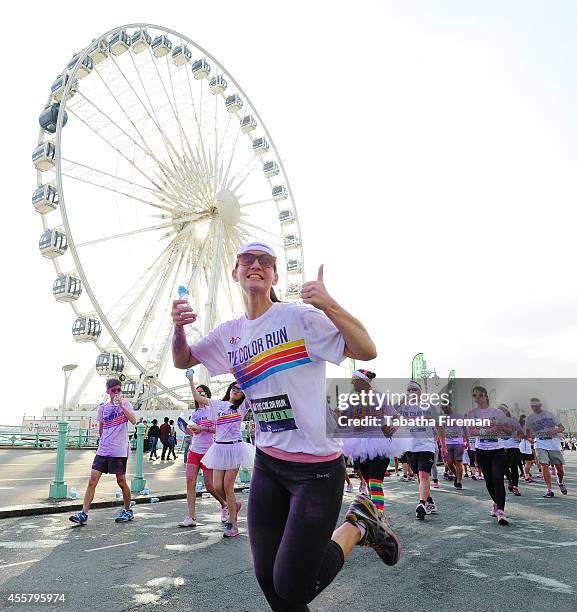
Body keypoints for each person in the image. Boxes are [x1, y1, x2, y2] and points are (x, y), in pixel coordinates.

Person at [172, 241, 400, 611]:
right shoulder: (229, 335)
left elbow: (366, 348)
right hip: (269, 465)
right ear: (235, 272)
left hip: (316, 471)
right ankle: (361, 523)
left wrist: (327, 302)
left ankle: (359, 523)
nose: (256, 265)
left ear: (275, 275)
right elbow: (184, 358)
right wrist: (178, 328)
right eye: (248, 259)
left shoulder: (299, 319)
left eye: (266, 261)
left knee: (293, 586)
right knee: (271, 585)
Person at [189, 375, 254, 537]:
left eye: (240, 390)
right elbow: (197, 397)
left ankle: (233, 524)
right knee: (217, 486)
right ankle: (234, 505)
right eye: (234, 387)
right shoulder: (218, 404)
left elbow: (252, 392)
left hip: (234, 448)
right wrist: (190, 379)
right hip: (219, 448)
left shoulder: (242, 407)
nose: (236, 390)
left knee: (227, 486)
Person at [69, 378, 137, 525]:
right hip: (104, 449)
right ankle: (84, 513)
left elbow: (133, 420)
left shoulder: (126, 404)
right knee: (92, 480)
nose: (117, 392)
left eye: (119, 390)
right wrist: (103, 440)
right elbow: (101, 427)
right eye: (114, 390)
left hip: (119, 450)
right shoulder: (103, 408)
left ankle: (128, 510)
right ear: (108, 392)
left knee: (121, 482)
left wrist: (122, 406)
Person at [340, 369, 406, 517]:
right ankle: (375, 515)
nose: (353, 384)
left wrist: (394, 426)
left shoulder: (380, 397)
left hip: (379, 444)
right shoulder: (351, 400)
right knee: (370, 482)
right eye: (352, 381)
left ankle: (379, 518)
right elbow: (344, 421)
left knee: (375, 482)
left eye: (355, 381)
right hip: (359, 446)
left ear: (364, 382)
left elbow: (396, 416)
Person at [179, 373, 228, 527]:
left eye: (202, 393)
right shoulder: (195, 413)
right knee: (190, 482)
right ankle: (191, 517)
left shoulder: (212, 411)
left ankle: (225, 504)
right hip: (194, 450)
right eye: (197, 392)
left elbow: (218, 429)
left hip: (208, 452)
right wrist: (190, 430)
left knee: (210, 486)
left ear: (207, 395)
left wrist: (203, 428)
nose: (199, 395)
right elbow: (193, 431)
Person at [396, 381, 447, 520]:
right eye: (409, 390)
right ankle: (429, 501)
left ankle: (422, 504)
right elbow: (390, 411)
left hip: (427, 446)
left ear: (420, 393)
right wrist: (402, 400)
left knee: (424, 475)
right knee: (419, 477)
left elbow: (439, 426)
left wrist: (443, 446)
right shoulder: (403, 407)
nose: (412, 392)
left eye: (415, 390)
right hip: (410, 447)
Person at [466, 386, 512, 525]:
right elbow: (471, 431)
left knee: (498, 478)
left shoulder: (497, 412)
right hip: (481, 450)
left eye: (480, 395)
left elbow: (509, 431)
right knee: (489, 481)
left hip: (497, 449)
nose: (478, 398)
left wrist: (500, 426)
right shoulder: (471, 413)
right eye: (475, 396)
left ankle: (501, 512)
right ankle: (496, 504)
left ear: (486, 396)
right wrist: (491, 430)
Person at [524, 398, 568, 497]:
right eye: (532, 406)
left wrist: (555, 431)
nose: (534, 407)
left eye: (536, 405)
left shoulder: (550, 415)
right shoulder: (530, 418)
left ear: (540, 405)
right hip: (540, 444)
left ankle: (560, 482)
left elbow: (562, 428)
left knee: (560, 470)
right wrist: (530, 438)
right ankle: (549, 489)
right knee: (544, 465)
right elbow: (528, 432)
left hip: (554, 445)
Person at [441, 401, 467, 490]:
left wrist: (466, 441)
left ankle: (459, 481)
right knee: (449, 463)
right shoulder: (442, 418)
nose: (443, 409)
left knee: (458, 462)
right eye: (442, 407)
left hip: (458, 442)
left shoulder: (459, 416)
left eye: (445, 407)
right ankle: (457, 475)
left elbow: (464, 428)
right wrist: (442, 445)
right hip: (447, 443)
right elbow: (440, 431)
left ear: (450, 406)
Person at [498, 404, 523, 496]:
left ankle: (515, 487)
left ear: (506, 411)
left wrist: (519, 437)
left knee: (513, 466)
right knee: (503, 467)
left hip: (513, 446)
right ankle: (510, 480)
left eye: (502, 410)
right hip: (501, 447)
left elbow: (520, 432)